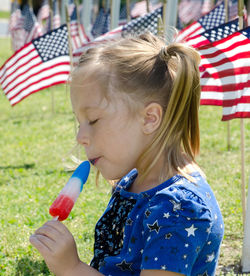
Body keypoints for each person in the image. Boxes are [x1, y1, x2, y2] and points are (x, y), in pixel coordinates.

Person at [30, 32, 224, 276]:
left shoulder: (180, 208)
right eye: (79, 123)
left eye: (93, 120)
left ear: (149, 118)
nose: (80, 137)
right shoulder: (132, 181)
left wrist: (72, 268)